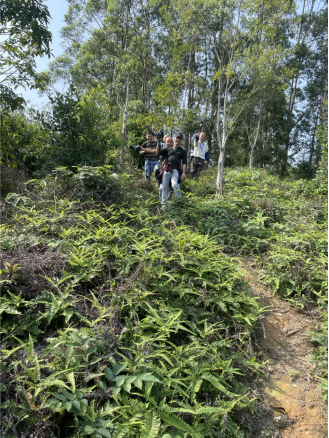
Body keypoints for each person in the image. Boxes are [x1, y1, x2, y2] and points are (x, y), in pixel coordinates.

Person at [156, 133, 187, 208]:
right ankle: (164, 204)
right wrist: (158, 140)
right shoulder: (168, 148)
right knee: (164, 187)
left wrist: (183, 174)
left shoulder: (183, 151)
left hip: (175, 169)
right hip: (166, 169)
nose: (178, 139)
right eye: (177, 138)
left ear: (182, 140)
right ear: (174, 139)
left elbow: (184, 163)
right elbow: (158, 153)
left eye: (180, 138)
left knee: (174, 185)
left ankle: (179, 202)